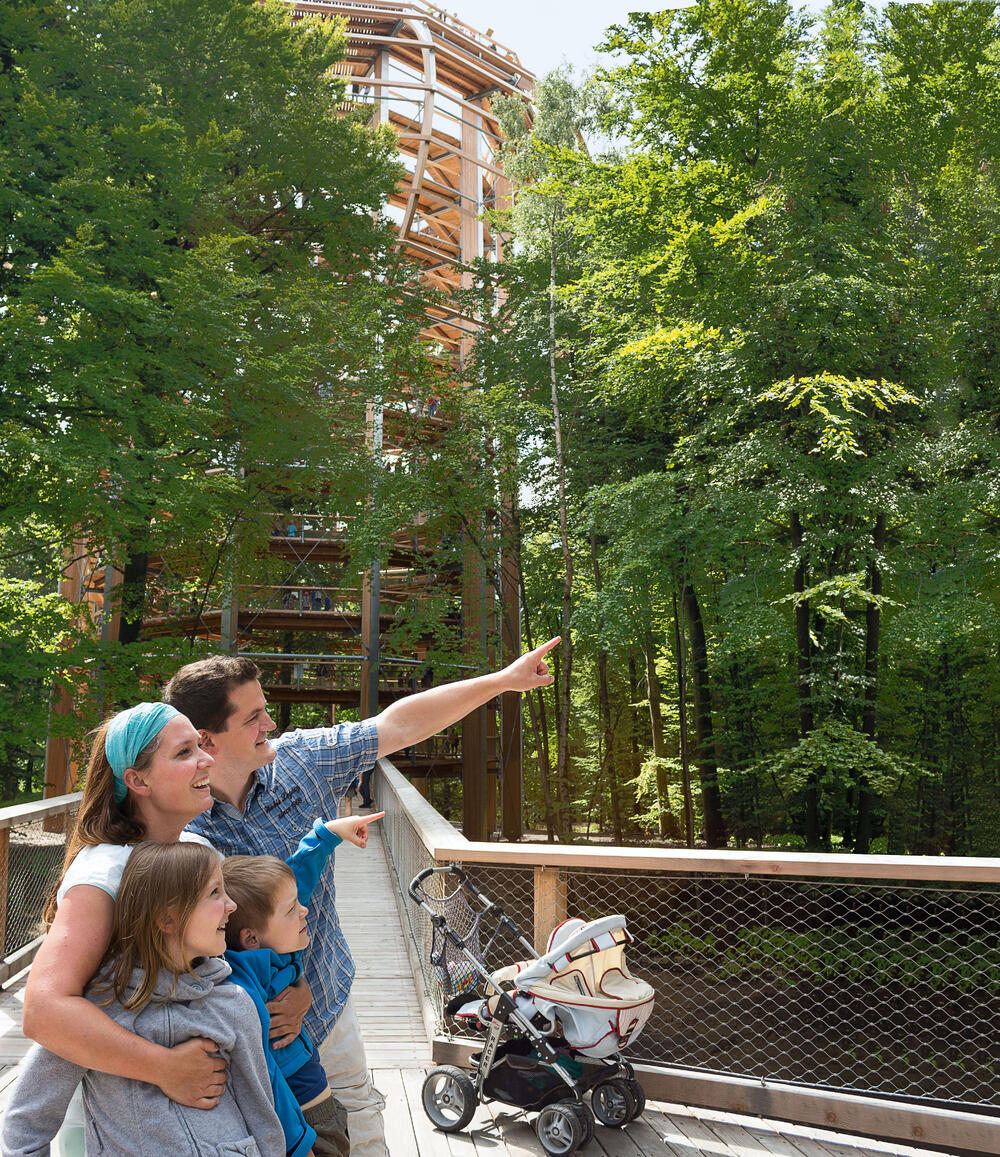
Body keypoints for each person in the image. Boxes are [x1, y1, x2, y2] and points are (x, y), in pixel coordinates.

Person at [162, 636, 559, 1157]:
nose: (271, 725)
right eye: (253, 718)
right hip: (234, 1027)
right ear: (207, 742)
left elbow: (397, 725)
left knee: (361, 1118)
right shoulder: (176, 820)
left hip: (323, 997)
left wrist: (502, 681)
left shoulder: (301, 762)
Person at [3, 842, 285, 1157]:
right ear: (167, 919)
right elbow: (28, 1117)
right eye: (215, 893)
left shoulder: (234, 1004)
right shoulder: (95, 1015)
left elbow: (262, 1115)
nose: (231, 905)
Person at [22, 703, 236, 1110]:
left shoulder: (198, 850)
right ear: (138, 780)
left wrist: (292, 990)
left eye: (201, 746)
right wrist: (165, 1068)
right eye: (184, 752)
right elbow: (43, 1010)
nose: (206, 759)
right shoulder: (104, 874)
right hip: (123, 1118)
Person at [222, 812, 384, 1157]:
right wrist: (298, 1145)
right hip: (303, 1113)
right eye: (292, 910)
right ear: (250, 938)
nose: (305, 911)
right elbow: (263, 1077)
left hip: (314, 1097)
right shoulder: (244, 991)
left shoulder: (266, 947)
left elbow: (300, 875)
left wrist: (327, 836)